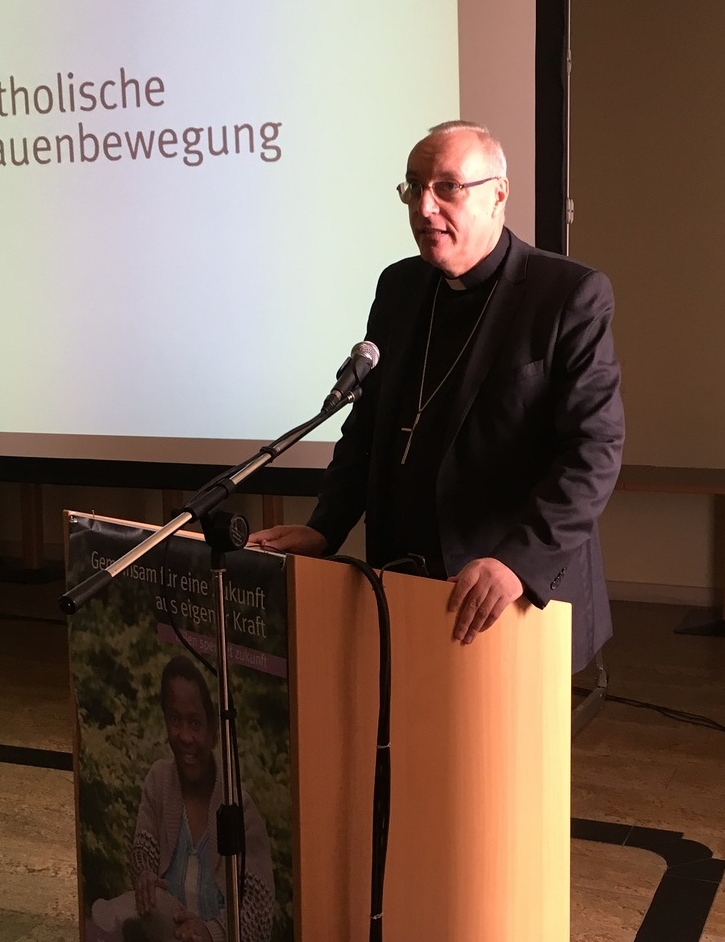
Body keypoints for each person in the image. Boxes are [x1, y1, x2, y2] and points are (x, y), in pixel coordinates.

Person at [250, 120, 624, 669]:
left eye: (447, 187)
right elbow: (366, 428)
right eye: (414, 187)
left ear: (498, 193)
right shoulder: (399, 286)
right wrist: (324, 526)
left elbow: (594, 451)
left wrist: (517, 562)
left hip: (503, 589)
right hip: (399, 575)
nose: (424, 207)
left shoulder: (567, 293)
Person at [119, 656, 275, 942]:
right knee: (108, 915)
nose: (185, 736)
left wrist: (211, 935)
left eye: (195, 723)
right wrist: (144, 874)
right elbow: (143, 848)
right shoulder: (159, 781)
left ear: (214, 730)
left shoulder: (241, 810)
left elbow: (259, 915)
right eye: (175, 720)